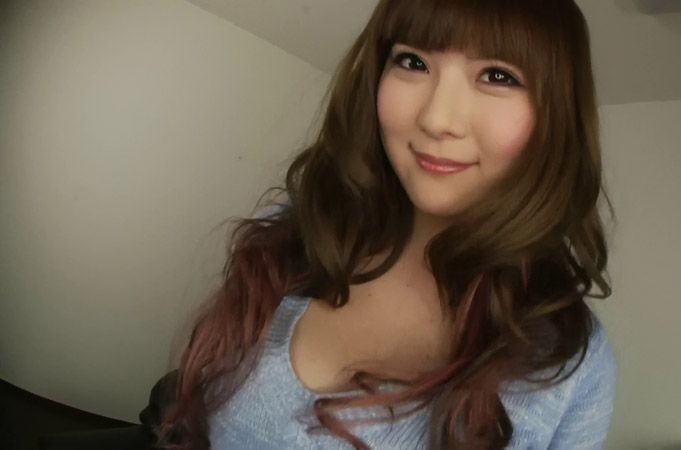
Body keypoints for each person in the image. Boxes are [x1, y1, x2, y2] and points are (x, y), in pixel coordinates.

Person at [143, 0, 618, 448]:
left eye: (497, 75)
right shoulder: (299, 231)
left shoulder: (571, 365)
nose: (437, 119)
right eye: (413, 62)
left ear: (555, 114)